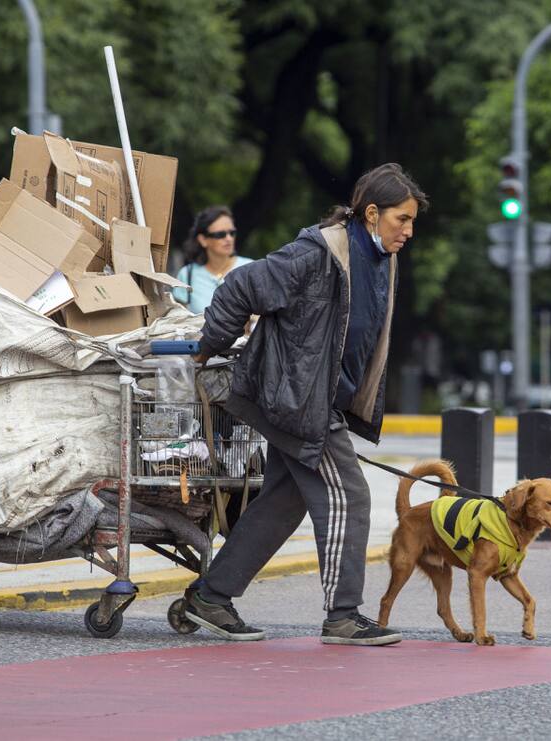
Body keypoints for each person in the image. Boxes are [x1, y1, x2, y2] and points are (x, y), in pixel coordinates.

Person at [183, 163, 429, 646]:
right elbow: (240, 286)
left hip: (315, 400)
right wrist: (210, 345)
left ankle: (210, 597)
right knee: (350, 496)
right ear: (372, 213)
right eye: (402, 219)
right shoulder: (316, 254)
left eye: (412, 221)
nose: (408, 231)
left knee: (283, 501)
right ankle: (343, 615)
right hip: (296, 401)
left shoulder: (381, 259)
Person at [172, 206, 253, 314]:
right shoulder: (187, 274)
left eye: (232, 233)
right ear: (203, 240)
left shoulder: (250, 269)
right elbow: (179, 318)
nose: (229, 238)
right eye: (220, 235)